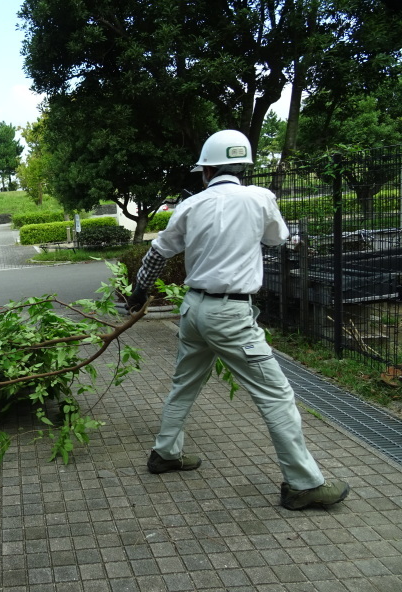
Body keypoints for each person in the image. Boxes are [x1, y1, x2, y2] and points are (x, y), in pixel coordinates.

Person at [128, 130, 349, 510]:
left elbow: (157, 252)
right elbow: (278, 239)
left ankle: (165, 454)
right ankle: (303, 484)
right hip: (231, 315)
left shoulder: (191, 205)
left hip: (193, 310)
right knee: (276, 395)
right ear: (243, 167)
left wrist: (139, 290)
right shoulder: (261, 198)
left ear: (207, 169)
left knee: (184, 384)